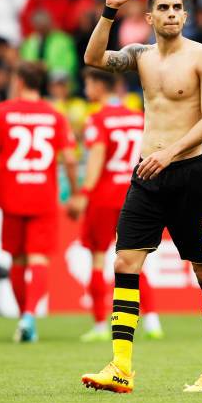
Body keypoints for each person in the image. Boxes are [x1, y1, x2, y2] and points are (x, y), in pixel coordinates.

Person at [80, 0, 202, 393]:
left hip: (190, 174)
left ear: (185, 15)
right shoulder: (141, 57)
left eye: (176, 7)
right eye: (162, 7)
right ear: (148, 18)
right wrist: (108, 12)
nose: (170, 14)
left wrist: (169, 152)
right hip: (148, 174)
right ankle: (120, 366)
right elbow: (92, 58)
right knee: (126, 261)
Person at [0, 61, 77, 342]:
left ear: (20, 81)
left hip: (11, 194)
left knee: (17, 259)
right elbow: (70, 158)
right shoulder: (55, 115)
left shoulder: (2, 112)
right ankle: (29, 316)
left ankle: (24, 316)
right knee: (38, 259)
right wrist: (74, 191)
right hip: (43, 196)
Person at [67, 67, 163, 342]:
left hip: (104, 196)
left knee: (98, 259)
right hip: (135, 193)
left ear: (98, 86)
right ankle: (153, 321)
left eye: (88, 84)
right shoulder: (136, 117)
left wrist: (84, 192)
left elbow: (97, 156)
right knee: (133, 260)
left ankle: (99, 325)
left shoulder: (96, 118)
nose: (86, 90)